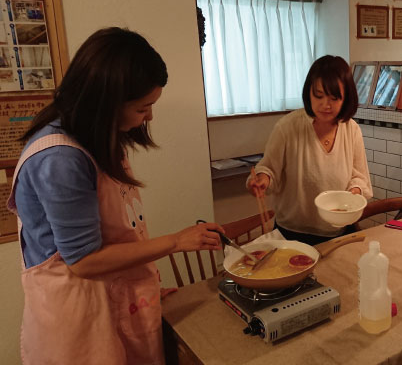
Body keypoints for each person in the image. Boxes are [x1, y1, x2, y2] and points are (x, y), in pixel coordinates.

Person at [8, 27, 224, 365]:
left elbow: (114, 231)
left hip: (114, 296)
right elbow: (84, 261)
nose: (149, 116)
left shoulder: (93, 136)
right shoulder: (60, 159)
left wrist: (144, 283)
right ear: (106, 101)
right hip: (78, 315)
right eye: (143, 107)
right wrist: (177, 241)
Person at [246, 55, 372, 245]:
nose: (325, 105)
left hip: (336, 232)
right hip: (290, 234)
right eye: (318, 95)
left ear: (346, 97)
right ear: (309, 93)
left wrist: (353, 193)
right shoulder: (288, 126)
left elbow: (359, 176)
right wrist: (262, 179)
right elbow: (269, 168)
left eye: (334, 97)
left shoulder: (351, 129)